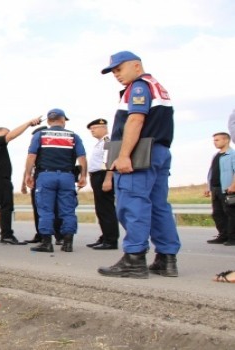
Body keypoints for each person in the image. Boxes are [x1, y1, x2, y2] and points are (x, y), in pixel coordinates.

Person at [97, 51, 181, 279]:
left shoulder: (138, 86)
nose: (116, 74)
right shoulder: (157, 86)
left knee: (132, 204)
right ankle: (166, 259)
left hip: (140, 153)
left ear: (135, 65)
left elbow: (136, 119)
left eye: (119, 69)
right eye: (113, 71)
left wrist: (124, 155)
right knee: (158, 206)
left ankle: (134, 259)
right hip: (160, 151)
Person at [25, 108, 87, 253]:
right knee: (68, 210)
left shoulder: (40, 135)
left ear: (48, 120)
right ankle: (68, 243)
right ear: (63, 120)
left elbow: (31, 156)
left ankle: (47, 243)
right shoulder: (73, 136)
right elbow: (82, 158)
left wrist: (28, 175)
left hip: (46, 176)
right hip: (67, 177)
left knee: (45, 210)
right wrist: (83, 176)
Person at [0, 116, 42, 245]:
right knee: (6, 207)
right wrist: (29, 123)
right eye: (5, 134)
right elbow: (12, 135)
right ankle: (6, 235)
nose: (7, 137)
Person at [22, 126, 63, 245]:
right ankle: (40, 234)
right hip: (36, 179)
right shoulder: (35, 148)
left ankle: (59, 235)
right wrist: (24, 182)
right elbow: (29, 164)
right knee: (37, 208)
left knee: (54, 208)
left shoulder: (52, 147)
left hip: (49, 178)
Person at [85, 118, 120, 250]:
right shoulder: (100, 143)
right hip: (97, 176)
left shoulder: (107, 141)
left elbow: (110, 160)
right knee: (101, 209)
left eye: (94, 128)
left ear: (104, 128)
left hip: (104, 175)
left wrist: (107, 179)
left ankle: (111, 240)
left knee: (106, 209)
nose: (92, 130)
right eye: (90, 129)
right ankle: (105, 236)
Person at [205, 132, 235, 245]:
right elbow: (211, 172)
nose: (215, 142)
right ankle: (223, 236)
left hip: (227, 189)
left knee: (230, 213)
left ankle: (233, 238)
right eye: (214, 140)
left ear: (226, 140)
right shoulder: (216, 155)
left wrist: (233, 185)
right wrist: (208, 187)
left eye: (217, 140)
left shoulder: (232, 154)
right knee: (217, 213)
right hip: (215, 188)